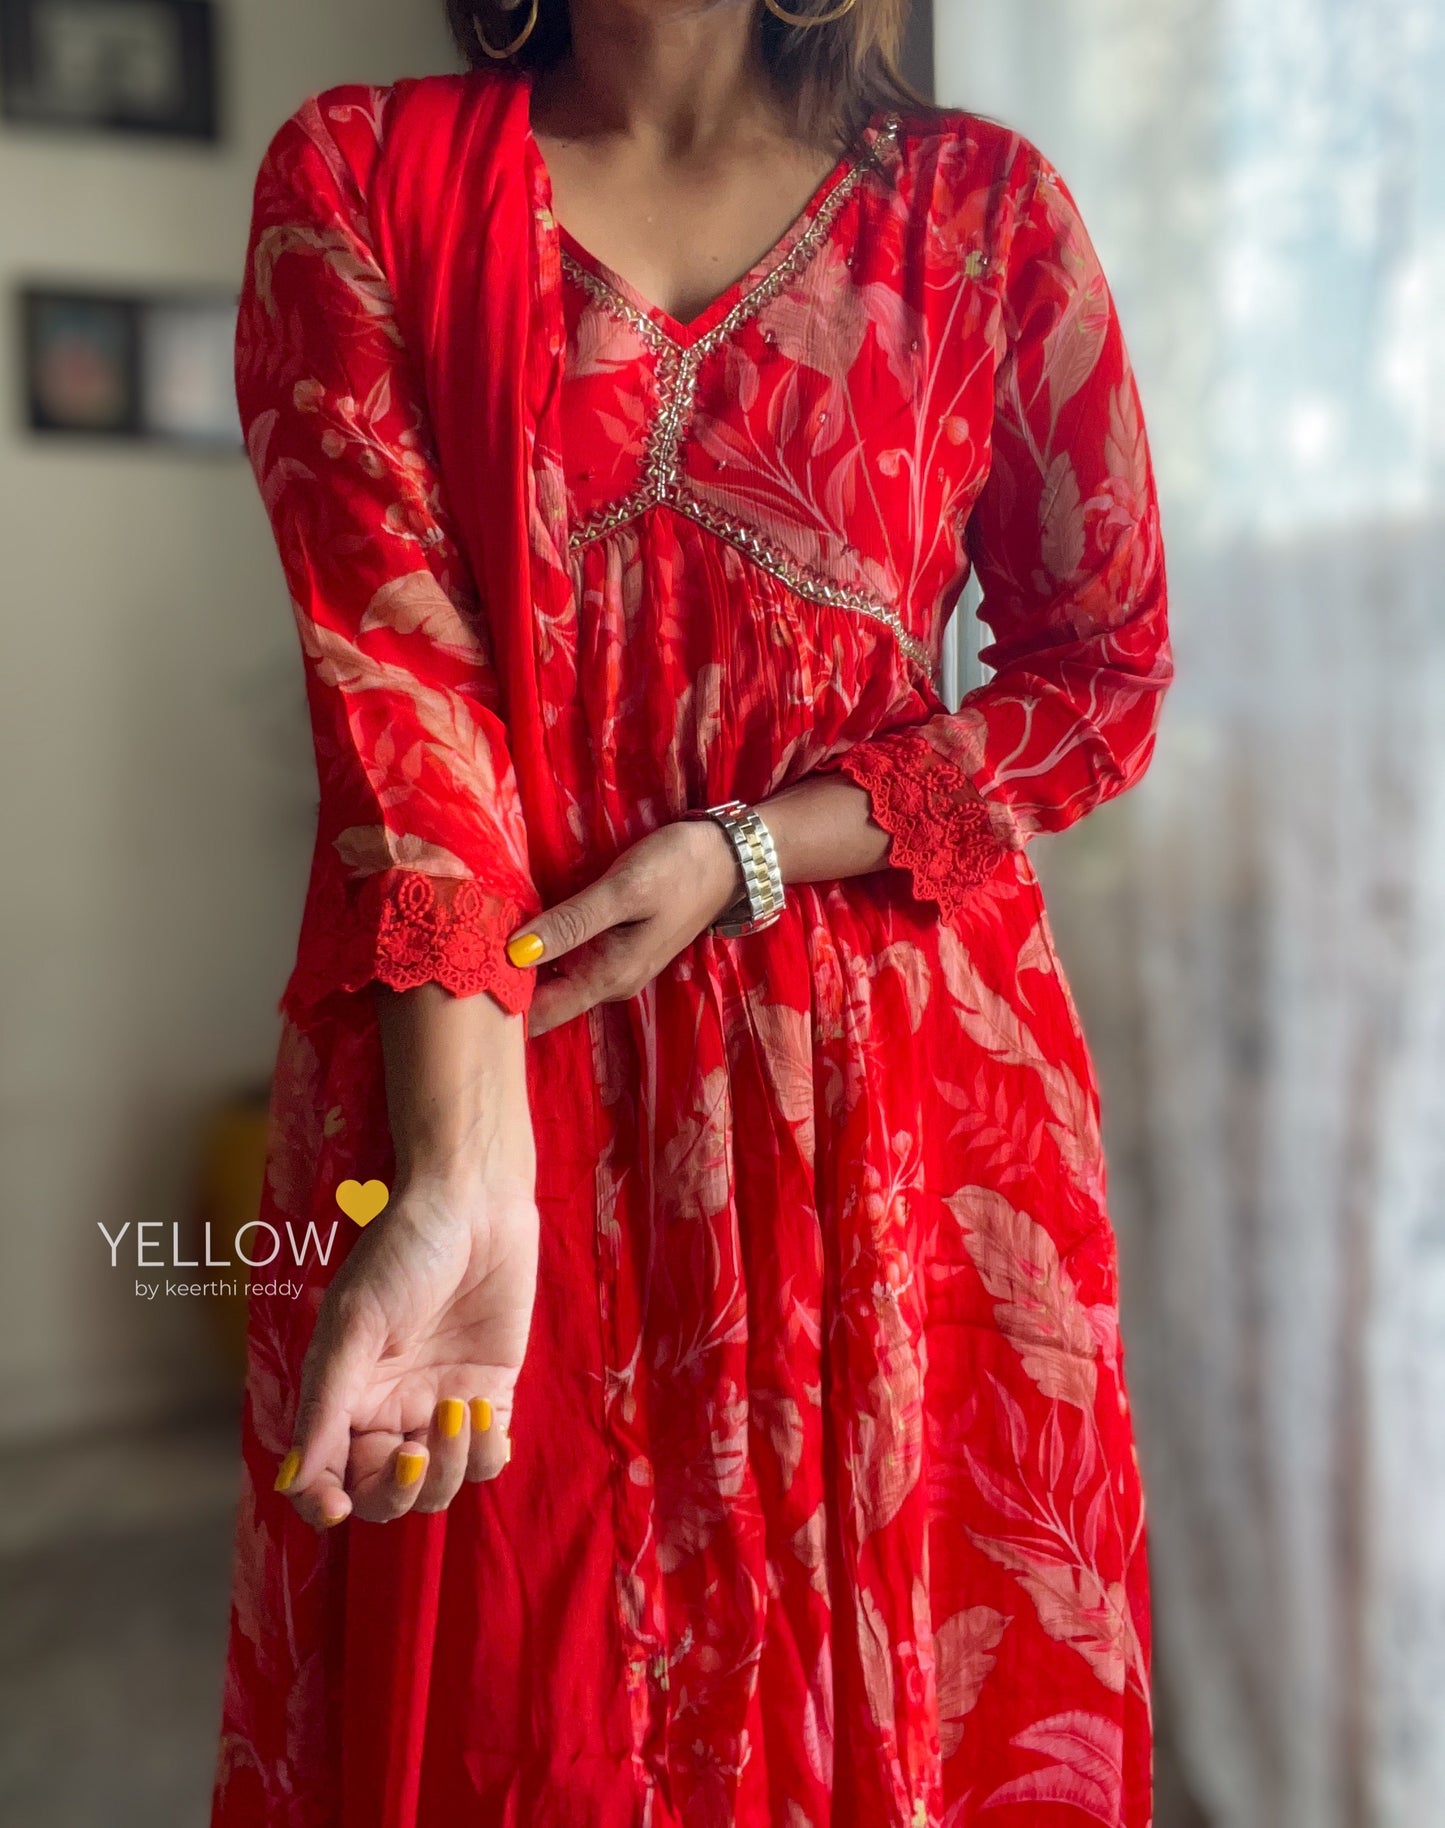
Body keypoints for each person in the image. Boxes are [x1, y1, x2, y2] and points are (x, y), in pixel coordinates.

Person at [210, 1, 1173, 1823]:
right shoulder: (364, 178)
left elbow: (1101, 673)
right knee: (523, 1711)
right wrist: (458, 1177)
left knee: (885, 1707)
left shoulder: (982, 214)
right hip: (502, 1061)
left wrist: (752, 851)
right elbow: (401, 702)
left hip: (887, 1104)